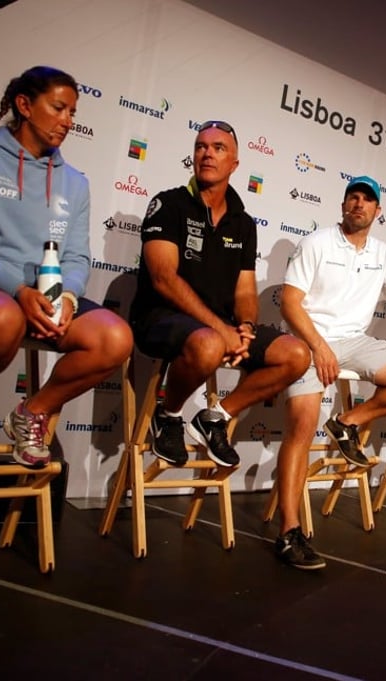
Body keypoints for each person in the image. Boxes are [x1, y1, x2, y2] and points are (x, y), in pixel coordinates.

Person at [0, 65, 133, 474]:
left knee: (115, 337)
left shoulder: (74, 181)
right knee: (2, 315)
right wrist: (19, 291)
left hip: (42, 296)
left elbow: (75, 256)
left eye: (72, 112)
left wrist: (68, 296)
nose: (67, 121)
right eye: (58, 108)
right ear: (24, 105)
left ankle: (32, 413)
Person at [278, 175, 386, 567]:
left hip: (354, 342)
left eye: (366, 200)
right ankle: (289, 530)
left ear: (377, 211)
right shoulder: (317, 242)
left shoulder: (385, 253)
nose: (358, 204)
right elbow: (290, 303)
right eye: (352, 198)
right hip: (308, 339)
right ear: (343, 206)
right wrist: (318, 346)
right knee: (301, 427)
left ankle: (348, 421)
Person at [129, 121, 311, 478]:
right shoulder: (168, 203)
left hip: (217, 327)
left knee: (296, 355)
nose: (207, 153)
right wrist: (221, 329)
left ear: (235, 164)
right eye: (201, 146)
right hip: (161, 318)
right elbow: (164, 278)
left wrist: (243, 326)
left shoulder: (244, 223)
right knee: (211, 344)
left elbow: (245, 290)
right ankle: (168, 416)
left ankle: (216, 416)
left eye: (218, 148)